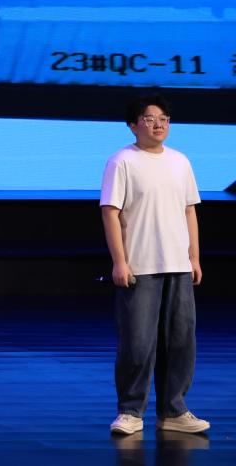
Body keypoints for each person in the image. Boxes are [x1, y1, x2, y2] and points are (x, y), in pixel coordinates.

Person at [101, 94, 209, 436]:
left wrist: (194, 257)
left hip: (178, 264)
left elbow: (189, 210)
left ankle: (173, 411)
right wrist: (120, 261)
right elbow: (110, 212)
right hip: (140, 265)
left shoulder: (180, 161)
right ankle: (130, 411)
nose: (158, 124)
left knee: (181, 341)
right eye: (149, 119)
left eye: (164, 119)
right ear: (133, 125)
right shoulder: (122, 161)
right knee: (137, 343)